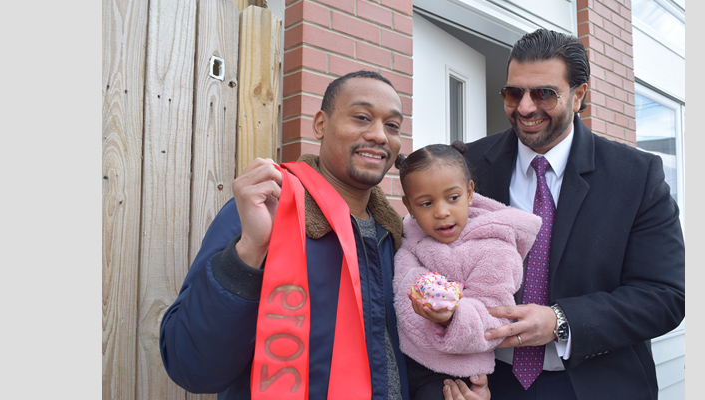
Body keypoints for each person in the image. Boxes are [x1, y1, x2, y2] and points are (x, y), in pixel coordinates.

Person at [158, 70, 489, 400]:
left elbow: (407, 362)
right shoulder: (267, 212)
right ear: (320, 124)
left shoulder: (399, 239)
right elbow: (193, 368)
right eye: (361, 117)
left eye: (392, 125)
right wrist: (249, 251)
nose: (379, 135)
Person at [465, 29, 686, 399]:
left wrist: (560, 322)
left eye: (544, 94)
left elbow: (665, 295)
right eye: (513, 92)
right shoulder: (467, 166)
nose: (524, 107)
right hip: (489, 386)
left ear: (579, 95)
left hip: (596, 385)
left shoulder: (636, 175)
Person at [391, 142, 541, 400]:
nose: (441, 212)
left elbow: (496, 316)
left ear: (469, 193)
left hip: (452, 373)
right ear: (409, 207)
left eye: (453, 198)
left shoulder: (495, 248)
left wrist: (451, 317)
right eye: (426, 203)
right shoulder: (407, 235)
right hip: (403, 361)